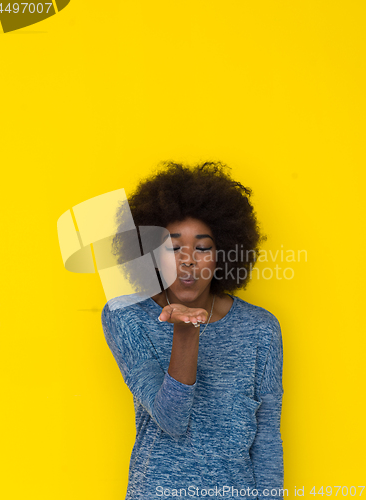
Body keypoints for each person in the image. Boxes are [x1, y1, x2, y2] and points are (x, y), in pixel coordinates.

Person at [101, 161, 284, 500]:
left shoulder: (261, 329)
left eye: (202, 248)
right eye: (172, 247)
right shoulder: (125, 316)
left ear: (222, 255)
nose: (188, 259)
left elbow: (267, 438)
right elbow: (172, 420)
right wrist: (186, 328)